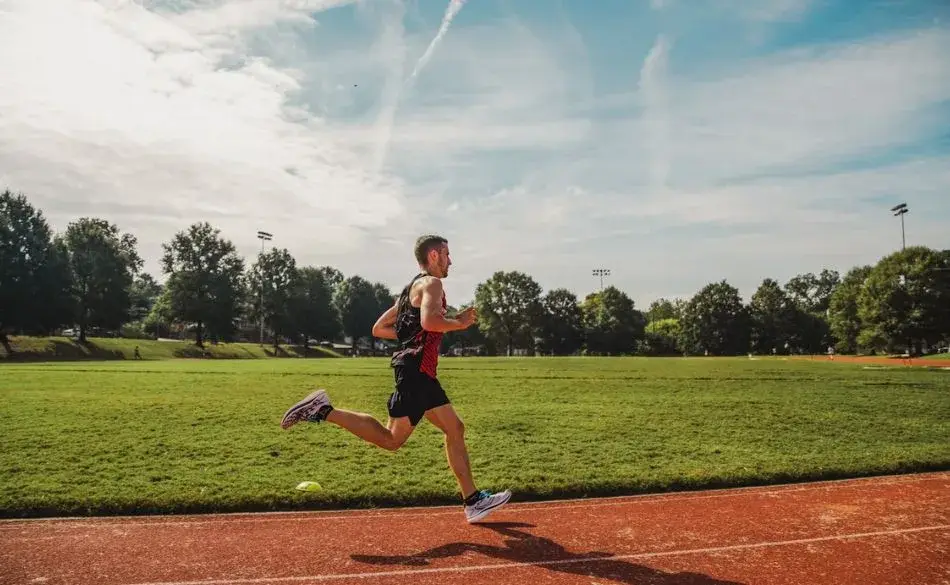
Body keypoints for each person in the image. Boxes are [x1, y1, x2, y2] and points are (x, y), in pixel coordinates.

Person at [280, 235, 511, 523]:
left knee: (454, 429)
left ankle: (472, 501)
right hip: (417, 373)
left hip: (417, 372)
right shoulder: (432, 284)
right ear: (435, 255)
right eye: (448, 254)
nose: (451, 260)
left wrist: (415, 334)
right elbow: (428, 323)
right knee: (393, 439)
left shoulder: (408, 290)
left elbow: (379, 328)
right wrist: (458, 323)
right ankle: (322, 410)